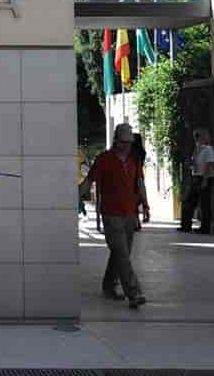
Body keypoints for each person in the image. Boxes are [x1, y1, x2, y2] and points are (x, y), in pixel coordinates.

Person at [85, 122, 150, 309]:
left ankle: (108, 284)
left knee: (121, 253)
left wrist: (145, 205)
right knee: (122, 253)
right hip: (111, 214)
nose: (127, 146)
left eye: (129, 143)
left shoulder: (133, 160)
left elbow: (139, 183)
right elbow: (89, 181)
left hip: (129, 214)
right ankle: (134, 293)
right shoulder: (104, 159)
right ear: (116, 141)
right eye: (123, 142)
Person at [179, 128, 214, 233]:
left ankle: (205, 228)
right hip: (196, 177)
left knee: (205, 204)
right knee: (189, 202)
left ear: (204, 136)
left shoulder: (208, 149)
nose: (196, 138)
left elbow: (209, 165)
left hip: (205, 177)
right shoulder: (197, 149)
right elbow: (195, 163)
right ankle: (186, 226)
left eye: (198, 135)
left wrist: (205, 180)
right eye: (195, 136)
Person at [131, 133, 147, 230]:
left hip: (132, 176)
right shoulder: (142, 152)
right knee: (136, 200)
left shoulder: (132, 153)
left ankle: (135, 222)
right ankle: (136, 222)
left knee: (133, 201)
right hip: (140, 175)